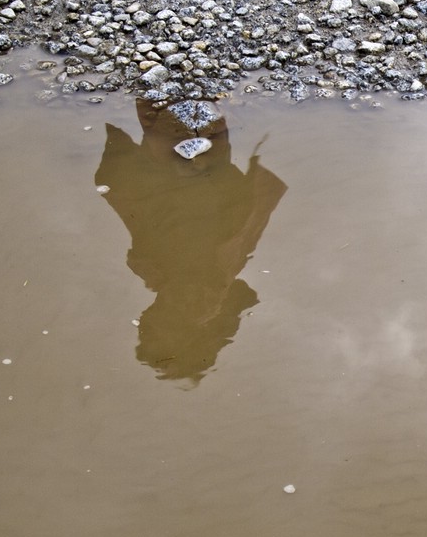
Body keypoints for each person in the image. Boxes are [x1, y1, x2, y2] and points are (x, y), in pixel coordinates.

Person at [95, 99, 287, 384]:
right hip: (200, 186)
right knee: (189, 125)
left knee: (170, 118)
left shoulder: (167, 277)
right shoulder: (210, 291)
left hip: (182, 186)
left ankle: (183, 99)